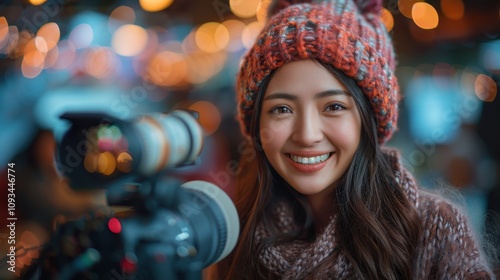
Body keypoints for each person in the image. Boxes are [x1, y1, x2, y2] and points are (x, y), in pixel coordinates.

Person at [205, 0, 496, 279]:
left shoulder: (434, 228)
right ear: (257, 125)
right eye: (282, 109)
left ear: (368, 121)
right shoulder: (231, 233)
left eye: (333, 107)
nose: (307, 135)